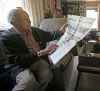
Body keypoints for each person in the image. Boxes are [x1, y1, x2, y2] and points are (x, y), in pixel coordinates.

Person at [8, 7, 59, 91]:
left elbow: (49, 34)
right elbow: (17, 59)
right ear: (14, 23)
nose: (29, 21)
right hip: (20, 66)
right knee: (28, 81)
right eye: (25, 19)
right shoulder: (8, 37)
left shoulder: (33, 30)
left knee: (47, 75)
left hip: (36, 60)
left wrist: (61, 31)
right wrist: (42, 52)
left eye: (28, 17)